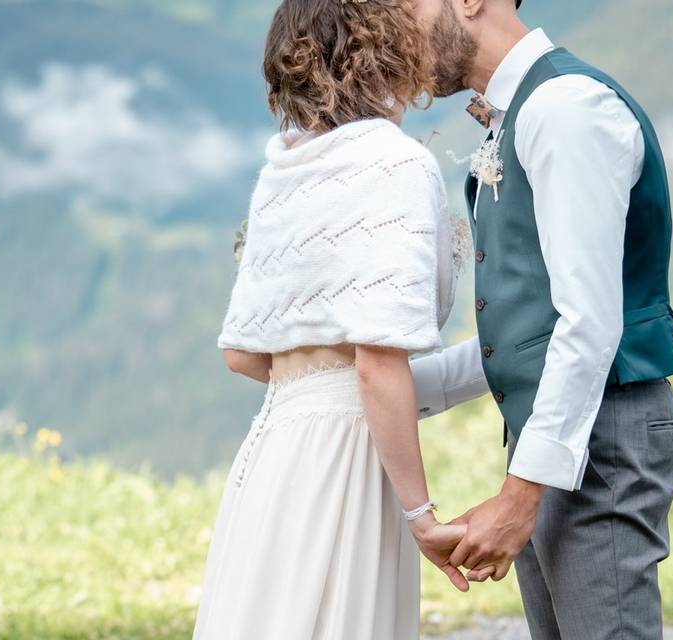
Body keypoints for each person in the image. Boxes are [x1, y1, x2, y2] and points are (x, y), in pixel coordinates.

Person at [407, 1, 673, 638]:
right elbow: (529, 327)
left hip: (604, 436)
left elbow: (588, 322)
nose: (392, 30)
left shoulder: (564, 109)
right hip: (561, 435)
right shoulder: (517, 119)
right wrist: (387, 393)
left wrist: (519, 495)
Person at [192, 1, 472, 638]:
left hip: (273, 456)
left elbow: (243, 355)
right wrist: (421, 514)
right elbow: (375, 366)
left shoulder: (283, 171)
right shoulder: (396, 164)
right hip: (346, 466)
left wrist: (479, 366)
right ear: (389, 51)